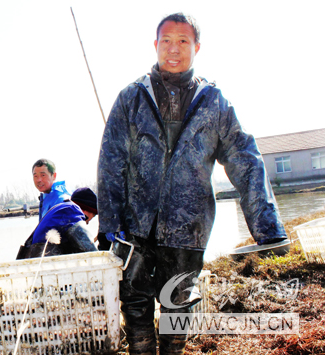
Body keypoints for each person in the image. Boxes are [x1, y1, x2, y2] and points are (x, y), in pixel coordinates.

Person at [97, 13, 287, 355]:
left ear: (196, 47)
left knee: (178, 305)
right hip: (135, 226)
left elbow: (244, 158)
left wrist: (267, 227)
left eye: (183, 41)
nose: (174, 49)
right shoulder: (131, 98)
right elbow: (111, 160)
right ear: (155, 46)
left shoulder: (214, 102)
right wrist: (109, 224)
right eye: (166, 41)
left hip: (189, 227)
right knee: (135, 304)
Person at [17, 187, 98, 259]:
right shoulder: (72, 210)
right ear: (84, 210)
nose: (87, 223)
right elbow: (90, 250)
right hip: (43, 265)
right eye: (92, 217)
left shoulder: (61, 208)